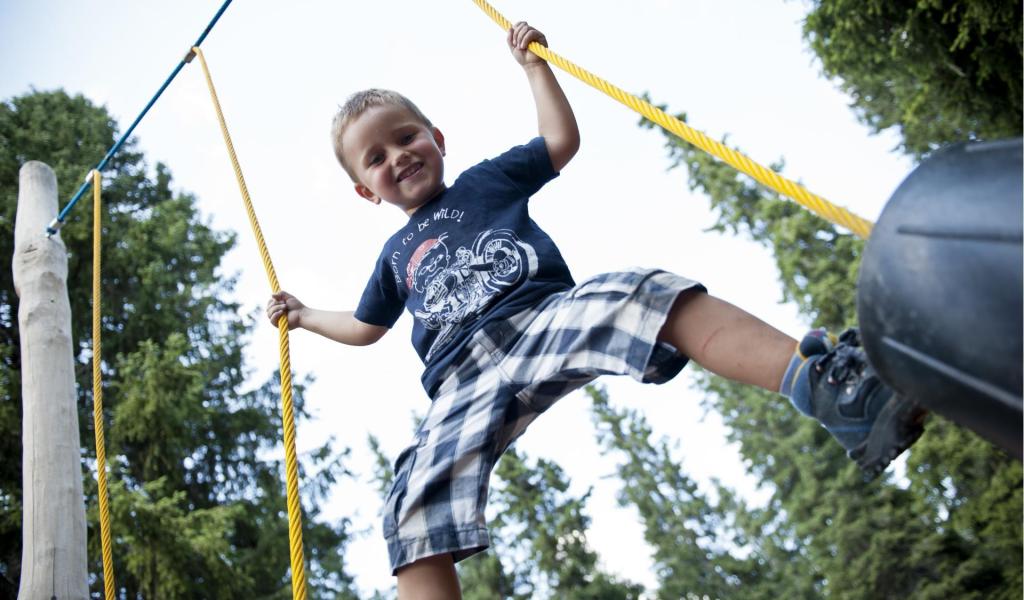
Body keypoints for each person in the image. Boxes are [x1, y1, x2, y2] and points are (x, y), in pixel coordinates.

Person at [266, 22, 926, 600]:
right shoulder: (392, 257)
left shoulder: (485, 181)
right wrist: (303, 315)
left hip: (539, 322)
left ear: (436, 137)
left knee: (641, 293)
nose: (398, 156)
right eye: (376, 158)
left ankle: (826, 387)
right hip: (460, 379)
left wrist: (535, 68)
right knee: (413, 503)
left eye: (406, 137)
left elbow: (558, 141)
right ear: (365, 190)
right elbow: (364, 327)